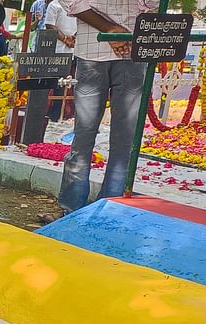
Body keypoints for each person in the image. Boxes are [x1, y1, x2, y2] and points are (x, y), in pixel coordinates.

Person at [54, 0, 156, 216]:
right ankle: (97, 209)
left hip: (124, 49)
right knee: (105, 137)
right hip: (113, 49)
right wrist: (112, 30)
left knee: (101, 137)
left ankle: (80, 209)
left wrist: (111, 30)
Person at [44, 0, 76, 121]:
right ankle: (51, 113)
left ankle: (61, 113)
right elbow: (49, 25)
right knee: (53, 83)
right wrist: (65, 39)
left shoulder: (76, 4)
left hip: (71, 50)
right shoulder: (54, 4)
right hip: (56, 50)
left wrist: (73, 39)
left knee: (66, 83)